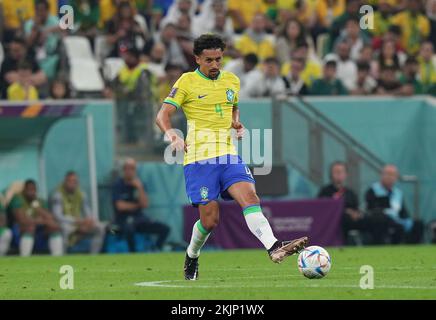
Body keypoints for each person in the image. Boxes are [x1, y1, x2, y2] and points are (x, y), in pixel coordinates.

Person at [155, 34, 308, 281]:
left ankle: (274, 246)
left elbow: (232, 105)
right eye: (209, 60)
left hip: (228, 155)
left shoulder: (232, 80)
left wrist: (235, 121)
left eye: (218, 59)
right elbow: (163, 115)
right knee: (210, 221)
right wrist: (173, 135)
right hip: (199, 159)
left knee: (250, 197)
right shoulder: (186, 82)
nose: (215, 65)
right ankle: (192, 254)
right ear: (197, 59)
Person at [112, 158, 170, 251]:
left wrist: (139, 188)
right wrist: (137, 205)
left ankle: (156, 249)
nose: (129, 171)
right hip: (123, 219)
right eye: (127, 168)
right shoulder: (118, 185)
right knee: (129, 228)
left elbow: (145, 204)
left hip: (139, 219)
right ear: (123, 170)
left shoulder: (139, 184)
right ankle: (133, 254)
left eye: (132, 168)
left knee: (165, 229)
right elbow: (120, 206)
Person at [365, 164, 423, 244]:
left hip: (397, 219)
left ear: (396, 177)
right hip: (382, 219)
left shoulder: (398, 193)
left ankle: (412, 249)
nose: (389, 177)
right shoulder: (373, 190)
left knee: (418, 224)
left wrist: (406, 219)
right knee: (387, 223)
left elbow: (403, 211)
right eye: (387, 174)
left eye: (392, 175)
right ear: (382, 175)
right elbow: (371, 208)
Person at [50, 172, 106, 254]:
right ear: (65, 182)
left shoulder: (81, 194)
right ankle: (62, 256)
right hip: (65, 223)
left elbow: (88, 212)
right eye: (70, 181)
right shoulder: (57, 194)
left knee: (100, 228)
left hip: (80, 223)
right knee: (64, 228)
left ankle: (94, 256)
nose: (72, 184)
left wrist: (89, 221)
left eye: (75, 181)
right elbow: (57, 216)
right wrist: (75, 221)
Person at [7, 179, 63, 256]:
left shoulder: (39, 201)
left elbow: (50, 218)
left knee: (54, 227)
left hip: (38, 230)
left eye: (33, 190)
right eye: (29, 189)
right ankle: (24, 258)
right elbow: (21, 220)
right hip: (19, 231)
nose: (31, 192)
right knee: (30, 227)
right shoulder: (17, 199)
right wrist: (40, 221)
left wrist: (38, 209)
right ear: (24, 190)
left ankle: (58, 257)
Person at [318, 161, 367, 244]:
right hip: (332, 223)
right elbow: (321, 209)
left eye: (341, 172)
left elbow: (356, 208)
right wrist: (345, 211)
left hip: (351, 221)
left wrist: (356, 214)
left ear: (345, 174)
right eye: (336, 172)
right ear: (331, 174)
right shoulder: (325, 192)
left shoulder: (350, 193)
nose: (338, 174)